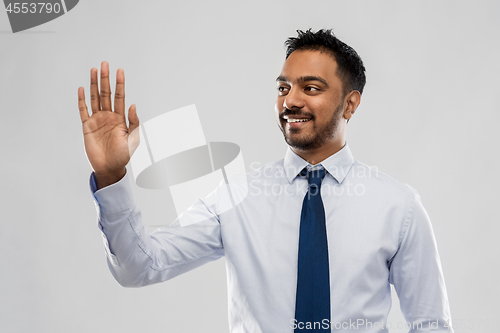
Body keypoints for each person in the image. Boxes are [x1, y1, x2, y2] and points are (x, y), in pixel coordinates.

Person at [78, 29, 453, 332]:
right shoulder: (235, 198)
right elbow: (139, 267)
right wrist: (112, 175)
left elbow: (431, 324)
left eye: (311, 88)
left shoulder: (397, 207)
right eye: (283, 88)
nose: (291, 100)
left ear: (350, 104)